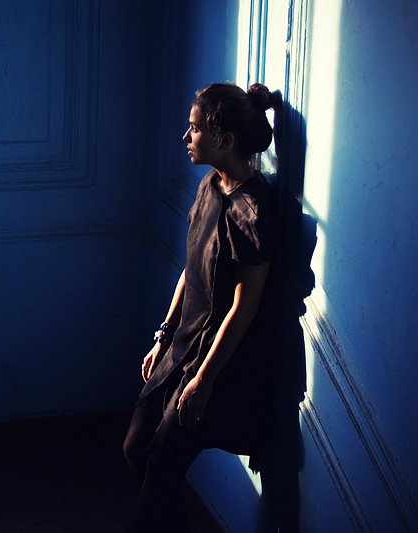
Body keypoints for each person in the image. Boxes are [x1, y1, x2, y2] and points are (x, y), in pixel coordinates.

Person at [123, 82, 282, 532]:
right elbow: (191, 267)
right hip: (181, 343)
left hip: (217, 359)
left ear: (224, 140)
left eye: (194, 129)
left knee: (162, 458)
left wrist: (204, 379)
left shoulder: (253, 212)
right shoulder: (209, 185)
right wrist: (163, 333)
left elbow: (245, 306)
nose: (185, 137)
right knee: (136, 448)